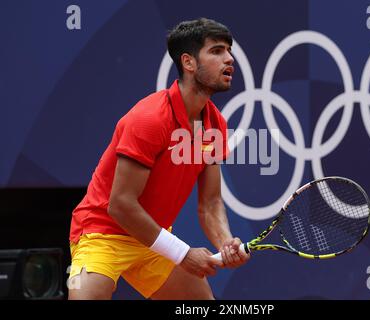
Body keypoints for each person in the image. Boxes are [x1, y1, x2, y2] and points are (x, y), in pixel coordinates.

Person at [67, 17, 249, 300]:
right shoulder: (150, 119)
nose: (229, 59)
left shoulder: (215, 125)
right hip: (102, 234)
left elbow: (210, 203)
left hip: (152, 241)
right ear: (188, 63)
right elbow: (121, 205)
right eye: (216, 51)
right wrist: (182, 253)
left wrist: (226, 243)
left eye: (228, 50)